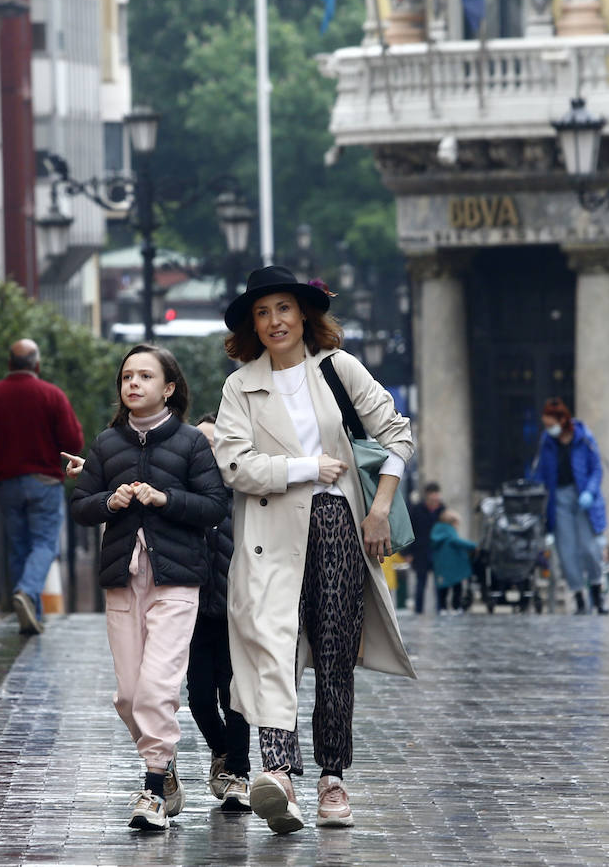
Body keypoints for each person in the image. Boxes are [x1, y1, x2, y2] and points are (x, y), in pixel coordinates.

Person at [213, 265, 416, 834]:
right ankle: (279, 774)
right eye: (262, 312)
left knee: (333, 651)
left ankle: (332, 777)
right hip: (267, 534)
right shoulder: (240, 386)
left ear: (304, 314)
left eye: (283, 308)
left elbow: (397, 434)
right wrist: (305, 467)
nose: (275, 321)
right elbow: (233, 464)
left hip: (337, 523)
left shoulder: (338, 370)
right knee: (269, 646)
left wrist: (377, 510)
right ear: (251, 325)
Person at [69, 345, 229, 831]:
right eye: (126, 377)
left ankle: (155, 786)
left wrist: (165, 498)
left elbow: (214, 506)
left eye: (144, 376)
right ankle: (167, 761)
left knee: (156, 689)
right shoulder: (105, 444)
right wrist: (108, 501)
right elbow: (81, 506)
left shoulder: (190, 443)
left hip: (177, 579)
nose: (133, 384)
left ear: (169, 387)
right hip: (122, 578)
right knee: (127, 696)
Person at [0, 339, 84, 634]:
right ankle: (27, 593)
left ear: (9, 365)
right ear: (37, 365)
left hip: (7, 486)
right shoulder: (51, 395)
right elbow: (74, 442)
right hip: (45, 483)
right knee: (44, 544)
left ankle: (30, 618)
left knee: (19, 548)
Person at [189, 414, 253, 812]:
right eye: (200, 444)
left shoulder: (243, 493)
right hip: (193, 613)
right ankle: (223, 751)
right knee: (197, 698)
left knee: (236, 695)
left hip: (235, 611)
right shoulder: (182, 494)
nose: (208, 451)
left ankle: (239, 775)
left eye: (214, 443)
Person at [527, 397, 609, 615]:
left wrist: (590, 493)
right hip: (559, 500)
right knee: (567, 552)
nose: (549, 428)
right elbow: (541, 472)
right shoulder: (547, 442)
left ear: (562, 419)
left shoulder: (584, 437)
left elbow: (596, 469)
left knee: (589, 549)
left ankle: (597, 594)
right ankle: (579, 599)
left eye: (551, 424)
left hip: (582, 498)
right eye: (546, 425)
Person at [407, 483, 444, 614]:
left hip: (438, 552)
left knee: (439, 583)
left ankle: (440, 608)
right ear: (427, 495)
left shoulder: (443, 510)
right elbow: (410, 530)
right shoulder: (417, 509)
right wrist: (409, 552)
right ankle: (418, 610)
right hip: (420, 551)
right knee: (421, 583)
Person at [430, 509, 476, 613]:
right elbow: (457, 541)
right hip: (454, 565)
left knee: (442, 587)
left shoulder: (437, 529)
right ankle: (456, 607)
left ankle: (442, 608)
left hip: (440, 565)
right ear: (453, 522)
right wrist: (474, 545)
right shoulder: (449, 530)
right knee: (457, 586)